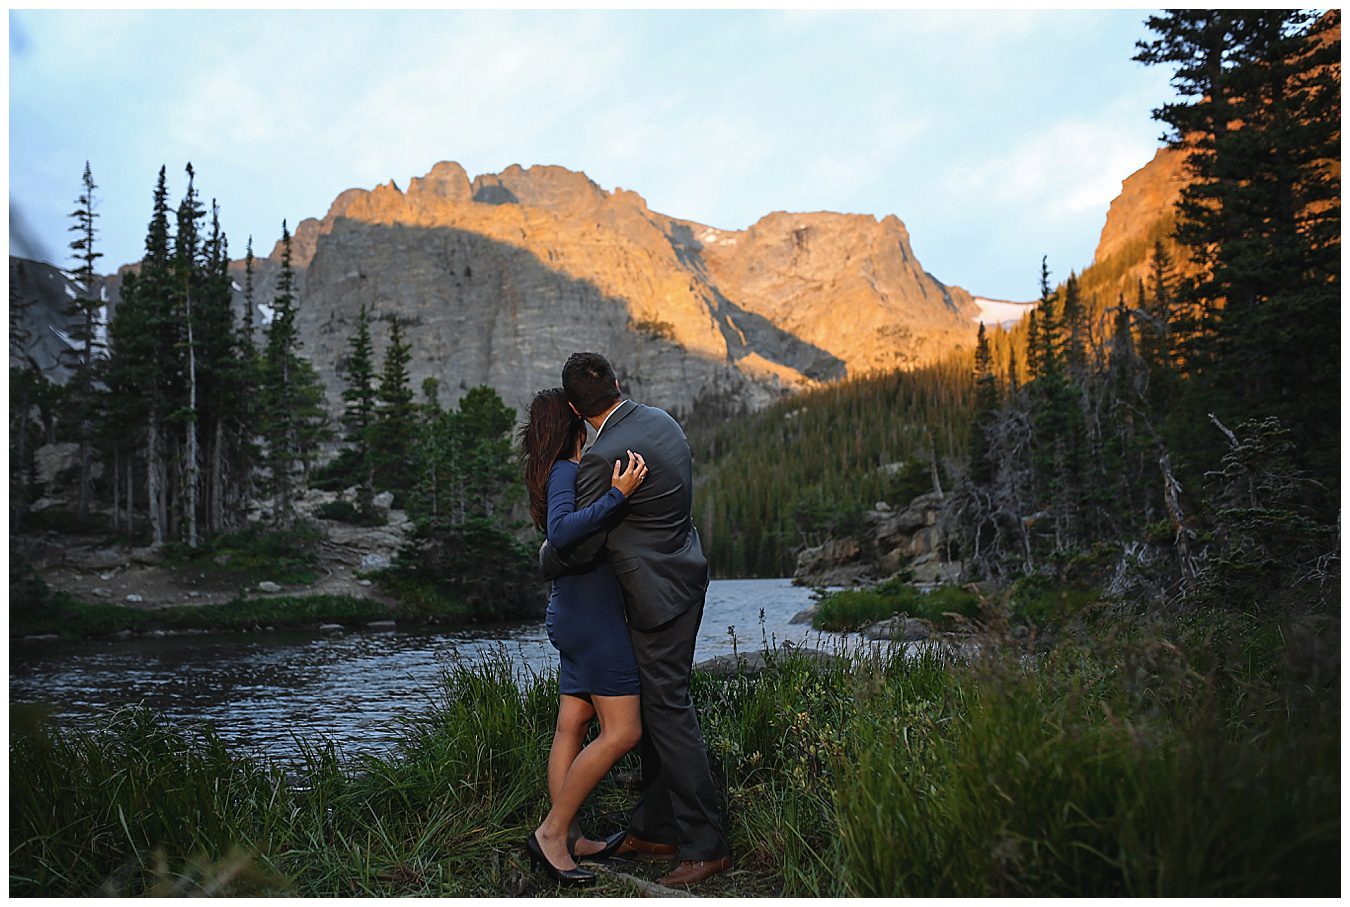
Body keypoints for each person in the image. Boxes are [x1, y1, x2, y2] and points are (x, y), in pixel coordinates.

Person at [540, 352, 733, 888]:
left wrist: (544, 559)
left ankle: (705, 846)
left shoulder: (602, 457)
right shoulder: (662, 420)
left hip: (652, 602)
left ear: (576, 408)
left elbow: (576, 546)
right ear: (618, 383)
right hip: (684, 582)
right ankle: (655, 828)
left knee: (669, 713)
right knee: (652, 710)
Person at [519, 387, 649, 887]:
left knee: (572, 723)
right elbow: (562, 530)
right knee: (624, 732)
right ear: (572, 422)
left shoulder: (551, 471)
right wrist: (619, 496)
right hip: (592, 617)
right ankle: (551, 835)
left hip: (569, 612)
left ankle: (570, 836)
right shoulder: (566, 471)